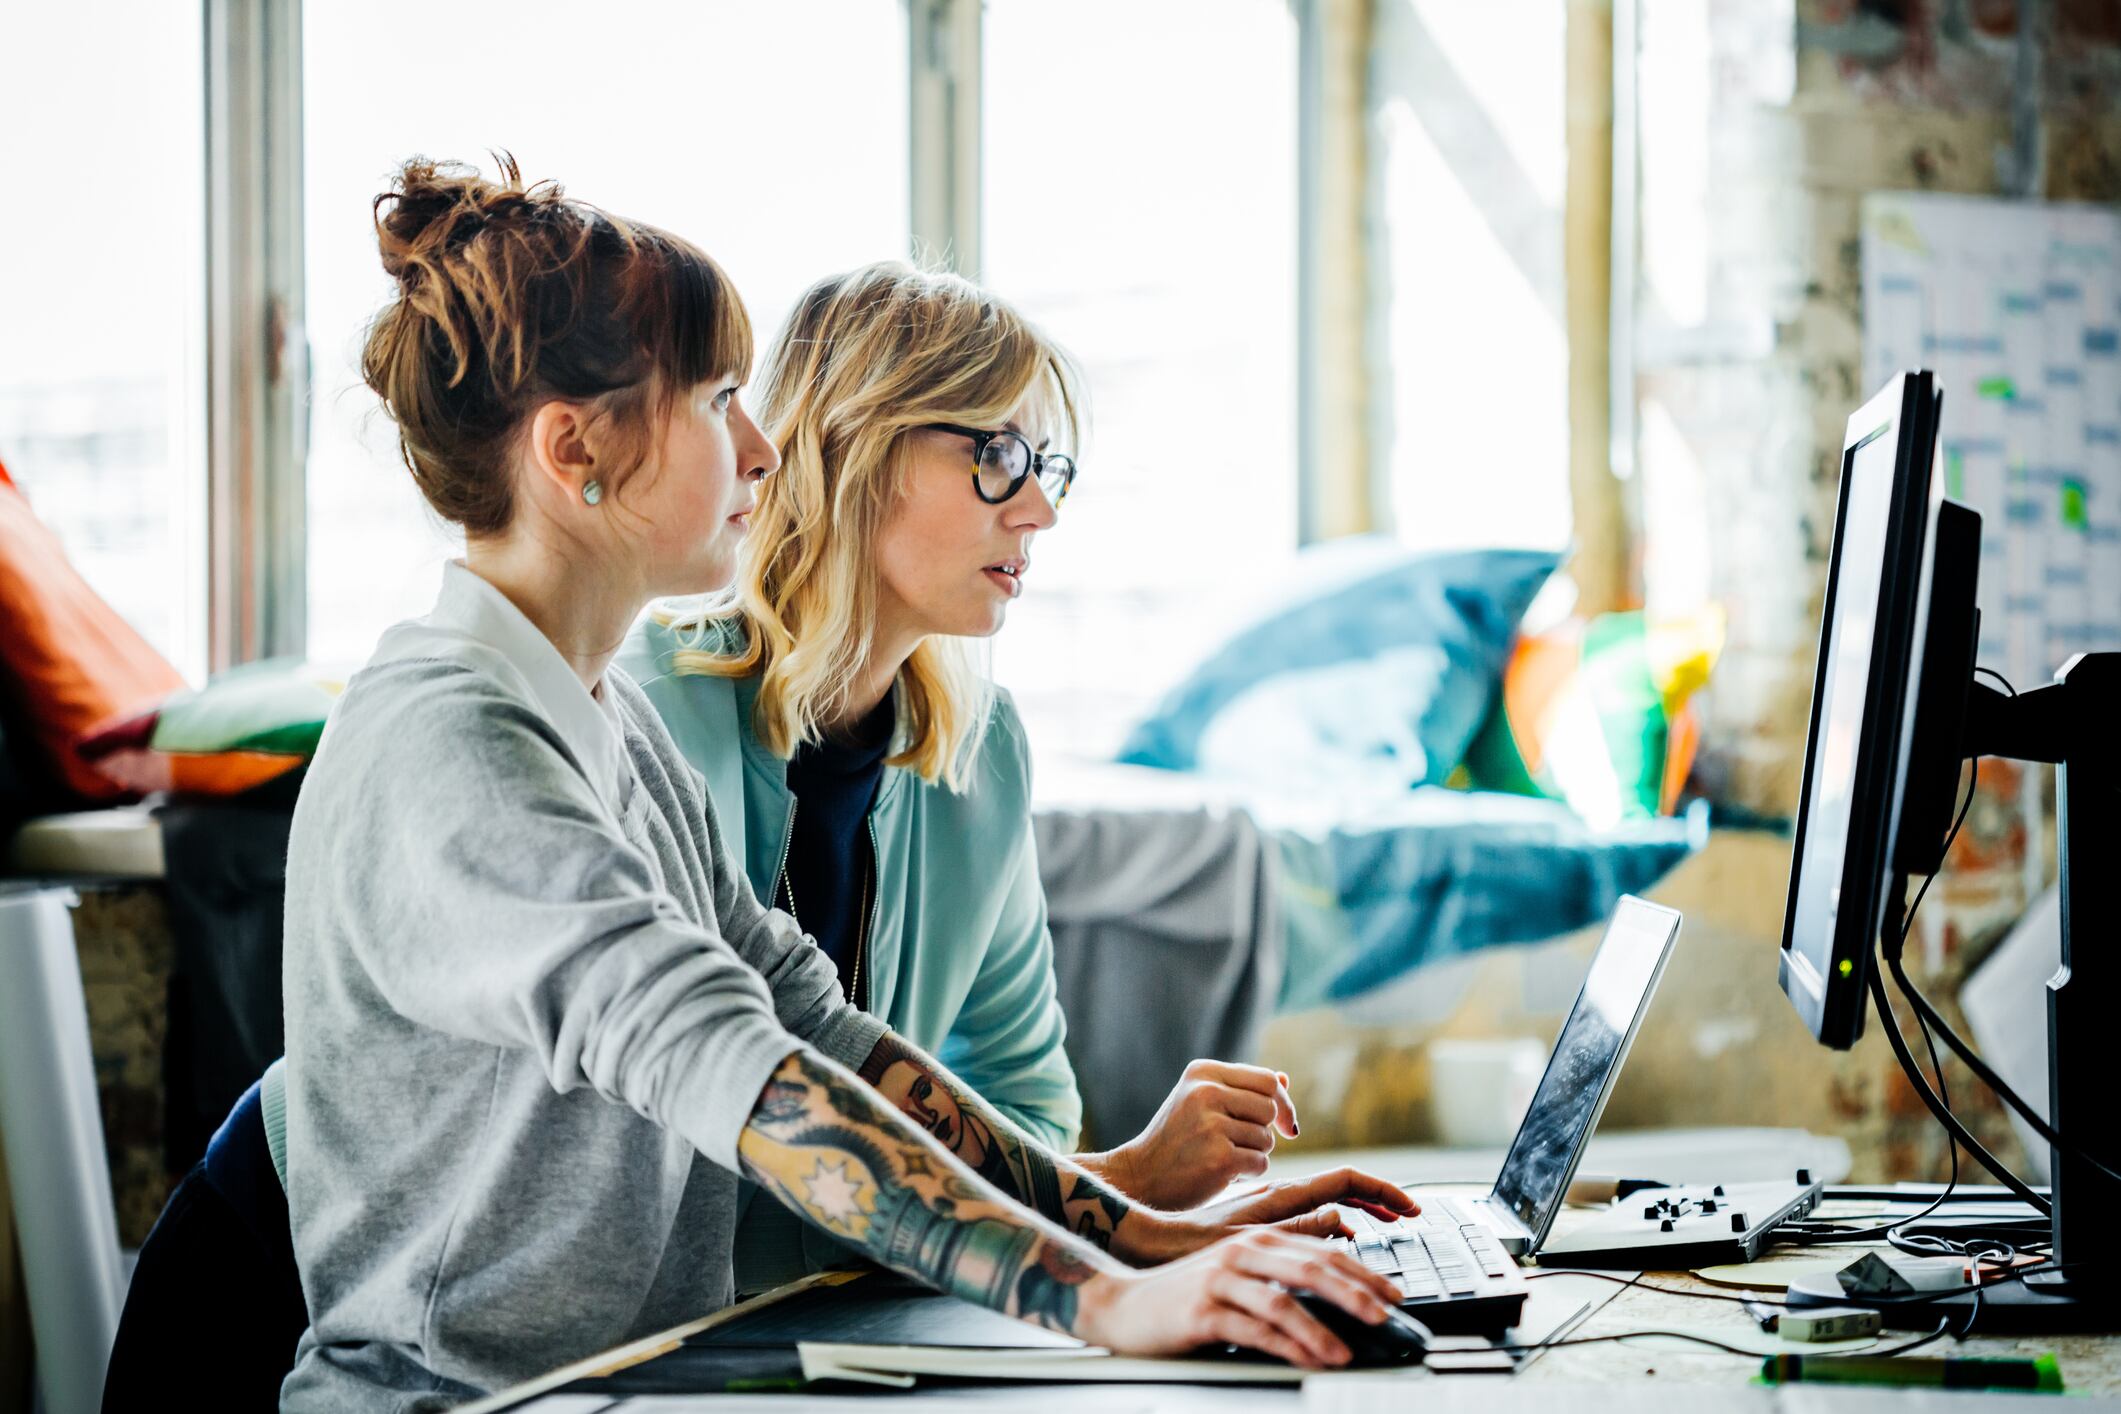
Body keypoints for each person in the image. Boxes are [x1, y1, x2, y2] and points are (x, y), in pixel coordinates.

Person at [279, 156, 1413, 1409]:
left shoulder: (602, 723)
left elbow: (811, 1027)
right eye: (718, 402)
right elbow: (726, 1057)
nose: (766, 447)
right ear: (576, 451)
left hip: (634, 1383)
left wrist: (1137, 1229)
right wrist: (1103, 1297)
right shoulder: (456, 745)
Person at [618, 265, 1302, 1259]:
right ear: (852, 445)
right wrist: (1124, 1199)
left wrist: (1118, 1208)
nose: (1038, 511)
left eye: (1047, 467)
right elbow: (677, 1183)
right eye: (1000, 455)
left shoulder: (982, 750)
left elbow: (1026, 1100)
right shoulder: (646, 716)